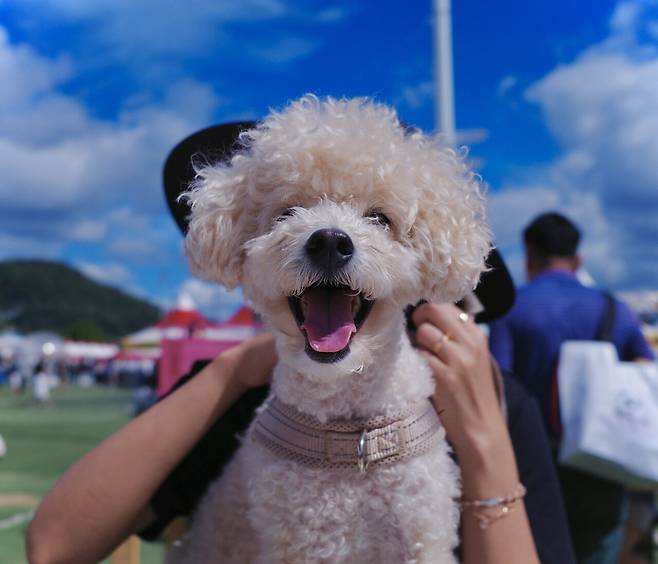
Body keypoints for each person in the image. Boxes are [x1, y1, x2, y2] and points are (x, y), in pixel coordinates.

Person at [26, 124, 573, 564]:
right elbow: (51, 547)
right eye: (288, 212)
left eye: (378, 218)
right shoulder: (230, 395)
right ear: (239, 244)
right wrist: (234, 370)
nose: (330, 235)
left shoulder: (501, 403)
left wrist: (486, 448)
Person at [488, 211, 655, 563]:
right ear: (578, 258)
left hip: (531, 464)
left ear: (529, 256)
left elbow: (497, 389)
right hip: (603, 461)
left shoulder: (514, 308)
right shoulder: (614, 308)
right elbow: (645, 369)